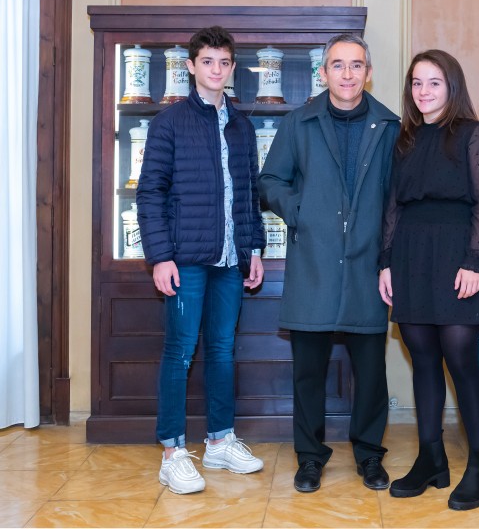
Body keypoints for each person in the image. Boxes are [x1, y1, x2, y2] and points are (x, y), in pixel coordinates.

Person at [258, 34, 399, 493]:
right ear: (323, 73)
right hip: (313, 266)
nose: (347, 74)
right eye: (338, 65)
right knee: (308, 372)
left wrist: (389, 256)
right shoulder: (298, 123)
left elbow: (397, 198)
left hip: (367, 266)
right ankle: (310, 458)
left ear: (368, 72)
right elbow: (271, 180)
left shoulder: (389, 126)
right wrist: (299, 210)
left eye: (356, 65)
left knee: (371, 373)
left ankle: (370, 455)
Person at [137, 26, 266, 495]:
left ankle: (219, 440)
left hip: (231, 261)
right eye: (207, 61)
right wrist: (160, 257)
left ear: (232, 68)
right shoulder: (168, 123)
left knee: (223, 349)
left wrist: (254, 249)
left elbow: (249, 194)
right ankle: (172, 452)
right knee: (179, 351)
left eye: (224, 62)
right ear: (191, 66)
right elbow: (150, 193)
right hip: (184, 260)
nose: (216, 69)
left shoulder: (242, 125)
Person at [378, 50, 479, 511]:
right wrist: (386, 262)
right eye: (416, 83)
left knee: (461, 359)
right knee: (423, 359)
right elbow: (393, 205)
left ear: (452, 86)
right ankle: (431, 459)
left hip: (455, 254)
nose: (423, 91)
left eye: (434, 82)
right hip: (410, 255)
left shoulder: (472, 133)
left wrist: (474, 261)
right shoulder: (405, 138)